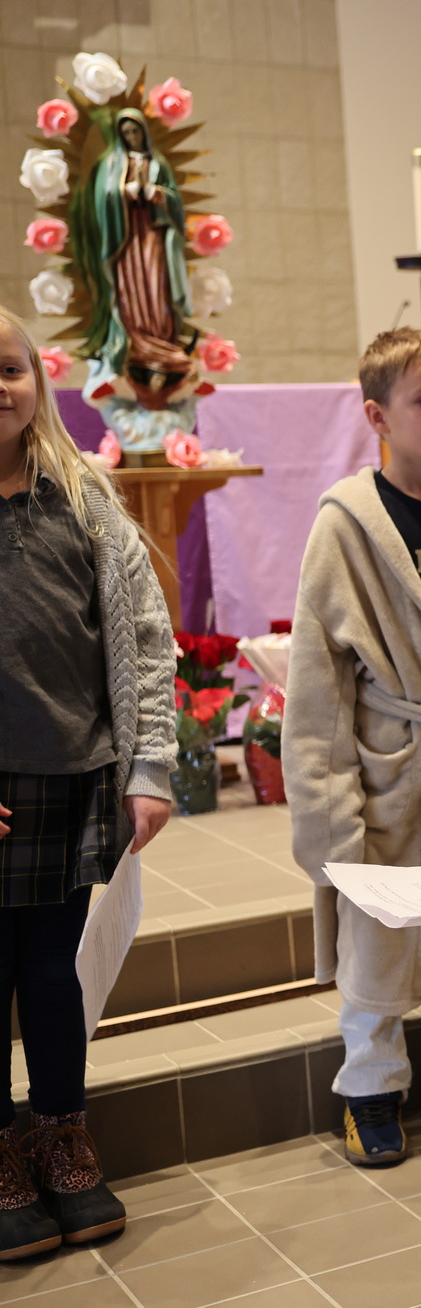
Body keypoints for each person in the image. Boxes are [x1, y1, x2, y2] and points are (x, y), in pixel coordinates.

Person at [286, 328, 421, 1168]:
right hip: (388, 763)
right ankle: (370, 1089)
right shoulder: (346, 524)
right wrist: (324, 810)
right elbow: (318, 680)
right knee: (376, 935)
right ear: (377, 416)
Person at [0, 305, 174, 1258]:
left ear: (39, 380)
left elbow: (144, 637)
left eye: (10, 369)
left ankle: (63, 1135)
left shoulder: (82, 496)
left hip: (72, 775)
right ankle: (0, 1152)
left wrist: (147, 766)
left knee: (52, 972)